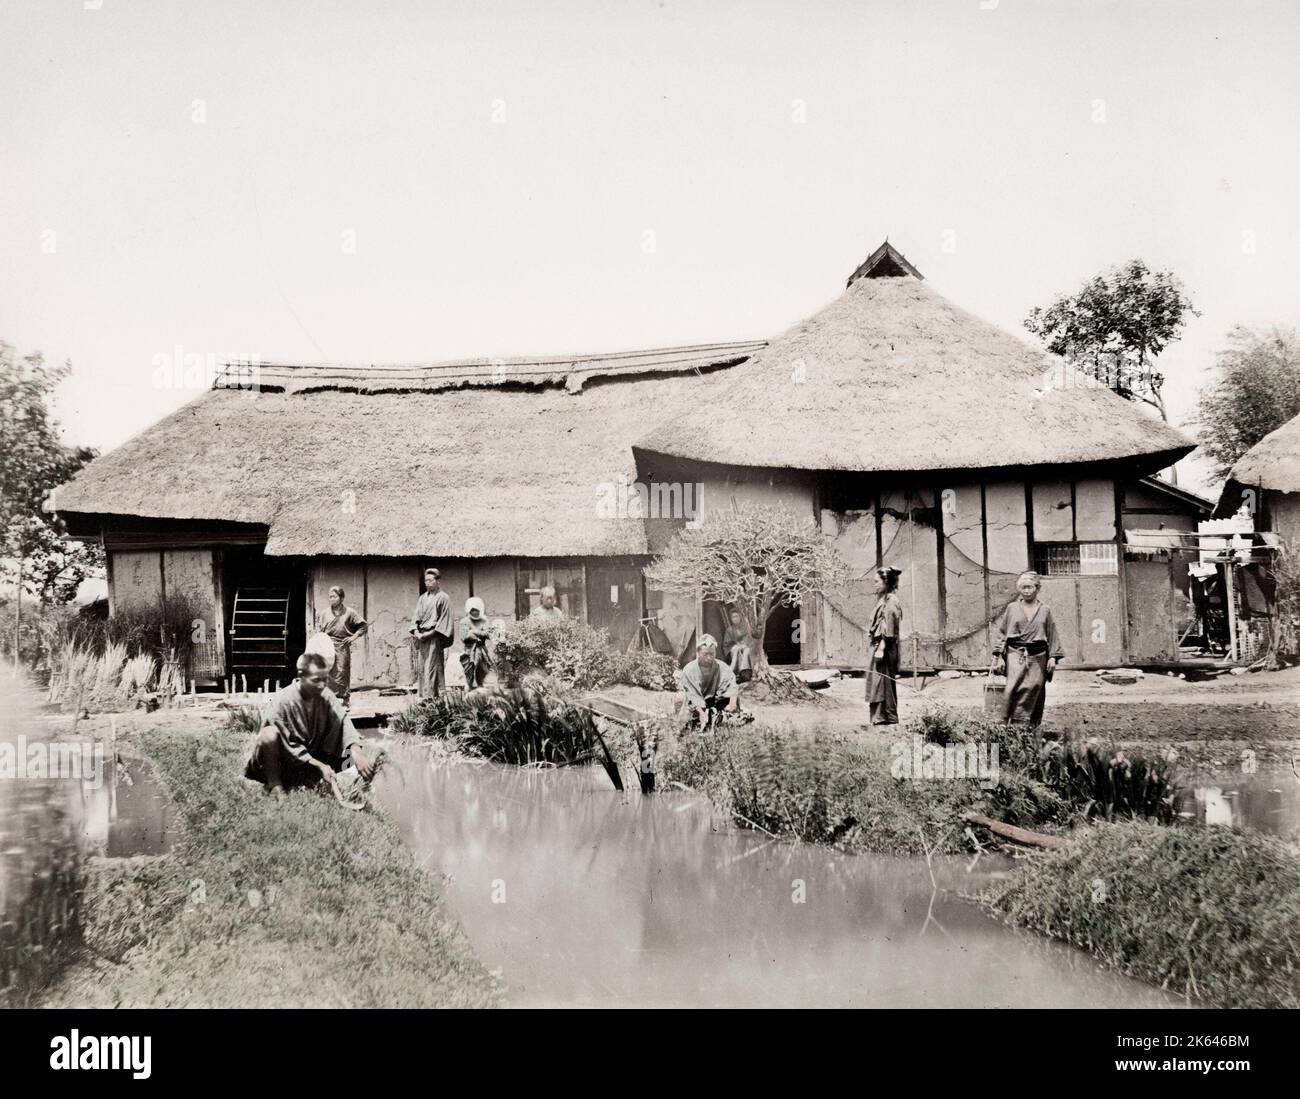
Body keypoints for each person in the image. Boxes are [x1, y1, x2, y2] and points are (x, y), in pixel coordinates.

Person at [245, 652, 375, 794]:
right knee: (268, 734)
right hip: (282, 761)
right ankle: (274, 784)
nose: (322, 685)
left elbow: (343, 722)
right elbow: (288, 747)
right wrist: (319, 765)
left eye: (325, 679)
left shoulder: (326, 696)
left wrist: (356, 752)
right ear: (301, 676)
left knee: (364, 748)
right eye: (316, 680)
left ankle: (313, 780)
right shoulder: (282, 701)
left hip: (307, 760)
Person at [991, 570, 1065, 727]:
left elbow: (1052, 633)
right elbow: (1003, 633)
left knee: (1035, 688)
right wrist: (998, 657)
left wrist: (1053, 657)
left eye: (1029, 587)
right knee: (1012, 687)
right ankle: (1007, 725)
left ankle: (1030, 725)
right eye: (1023, 587)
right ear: (1019, 589)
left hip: (1039, 656)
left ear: (1037, 588)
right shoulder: (1012, 608)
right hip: (1015, 653)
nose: (1026, 590)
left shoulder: (1045, 610)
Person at [864, 566, 903, 725]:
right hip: (880, 645)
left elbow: (890, 626)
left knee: (882, 681)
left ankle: (885, 716)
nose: (875, 585)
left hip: (885, 647)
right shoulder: (884, 598)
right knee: (877, 680)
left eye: (877, 581)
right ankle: (880, 716)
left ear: (886, 582)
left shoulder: (892, 600)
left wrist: (881, 647)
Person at [680, 634, 740, 728]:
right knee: (683, 705)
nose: (709, 658)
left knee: (735, 703)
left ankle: (724, 718)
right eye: (705, 654)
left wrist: (732, 702)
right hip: (696, 704)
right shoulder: (689, 670)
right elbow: (692, 694)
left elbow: (731, 685)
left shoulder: (722, 667)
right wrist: (701, 712)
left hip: (715, 702)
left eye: (711, 654)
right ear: (698, 653)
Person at [320, 585, 367, 704]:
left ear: (341, 598)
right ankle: (329, 700)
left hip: (342, 645)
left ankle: (345, 699)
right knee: (327, 671)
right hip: (327, 644)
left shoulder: (349, 612)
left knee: (342, 671)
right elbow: (320, 631)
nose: (331, 599)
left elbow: (363, 626)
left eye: (334, 597)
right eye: (330, 597)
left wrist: (353, 637)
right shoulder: (324, 613)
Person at [410, 567, 452, 698]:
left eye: (430, 580)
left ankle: (433, 697)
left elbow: (444, 621)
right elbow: (415, 617)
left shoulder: (443, 598)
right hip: (421, 637)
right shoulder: (422, 598)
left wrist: (430, 634)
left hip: (434, 637)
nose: (427, 583)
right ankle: (423, 697)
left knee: (432, 667)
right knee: (422, 668)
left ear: (438, 582)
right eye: (425, 581)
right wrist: (416, 632)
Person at [458, 596, 493, 689]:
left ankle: (480, 690)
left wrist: (474, 632)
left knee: (482, 671)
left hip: (482, 650)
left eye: (476, 610)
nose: (474, 612)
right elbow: (463, 636)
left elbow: (488, 633)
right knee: (469, 672)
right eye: (472, 610)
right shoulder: (464, 621)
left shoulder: (484, 620)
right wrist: (471, 635)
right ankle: (469, 690)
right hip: (469, 651)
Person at [722, 608, 754, 683]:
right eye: (733, 617)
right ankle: (735, 671)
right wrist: (736, 644)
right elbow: (726, 643)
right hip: (735, 648)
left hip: (746, 647)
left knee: (746, 651)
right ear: (731, 619)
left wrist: (745, 644)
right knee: (736, 650)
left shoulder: (746, 627)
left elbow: (750, 639)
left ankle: (744, 671)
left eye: (737, 616)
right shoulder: (729, 630)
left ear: (740, 617)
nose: (735, 619)